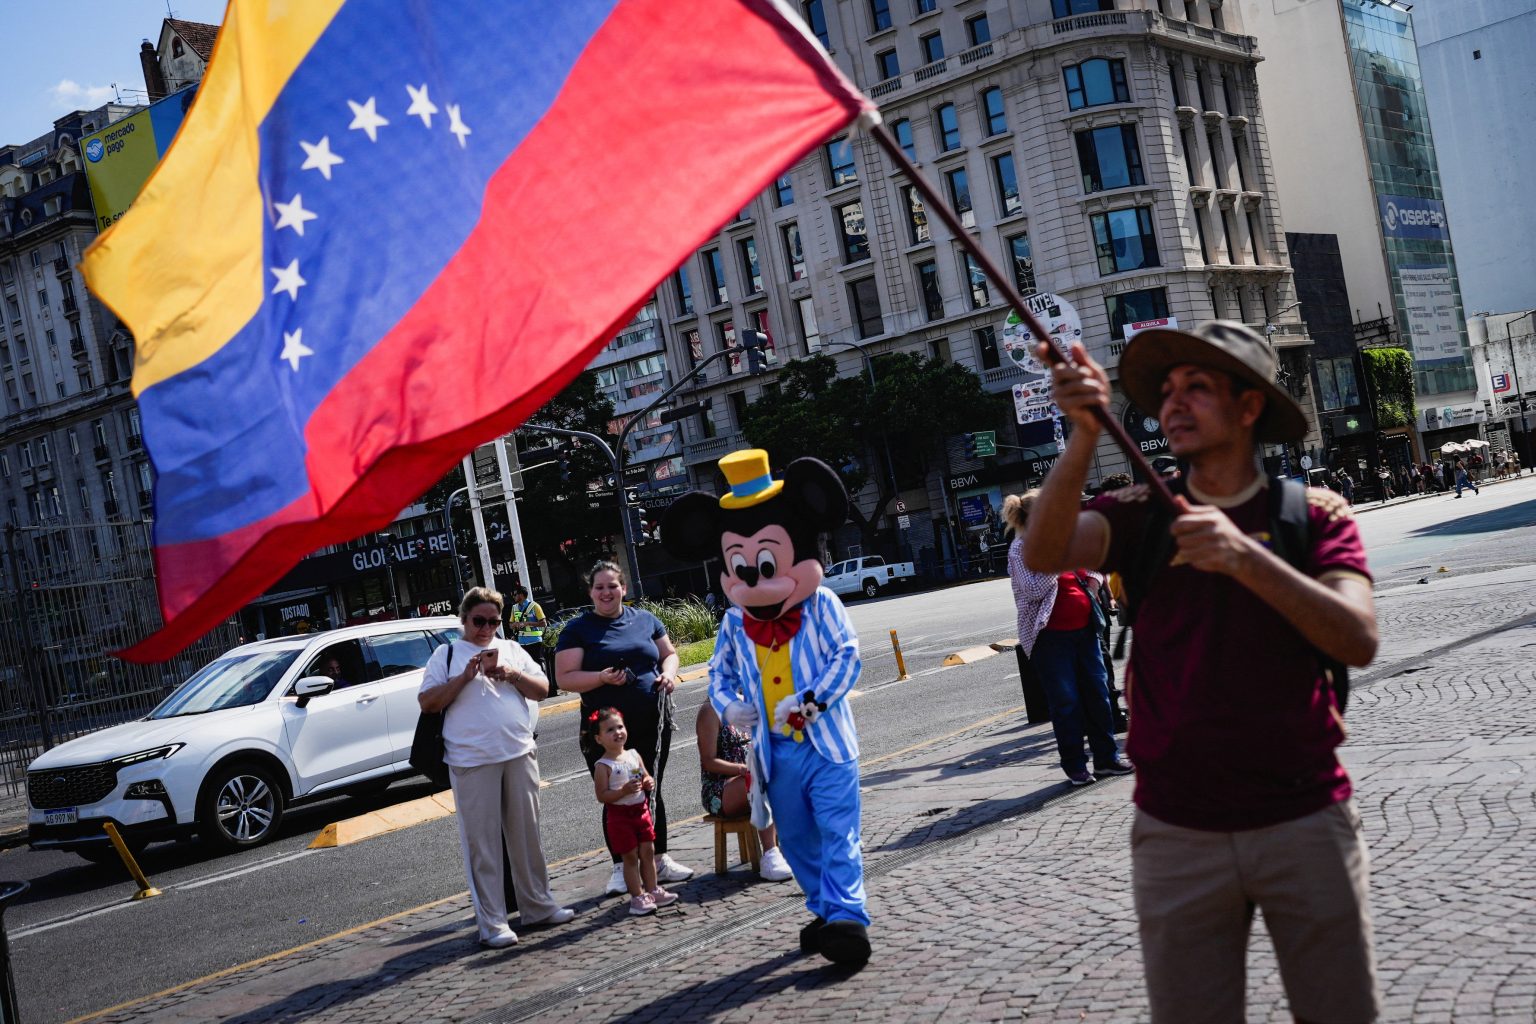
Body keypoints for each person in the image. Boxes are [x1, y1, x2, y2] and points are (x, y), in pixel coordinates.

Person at [1024, 320, 1380, 1023]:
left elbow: (1358, 637)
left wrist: (1246, 558)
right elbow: (1045, 550)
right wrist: (1084, 435)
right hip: (1176, 832)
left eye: (1199, 388)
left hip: (1305, 819)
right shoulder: (1136, 515)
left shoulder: (1312, 513)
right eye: (1167, 391)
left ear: (1250, 408)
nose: (1173, 405)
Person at [419, 587, 573, 949]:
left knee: (527, 836)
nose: (486, 628)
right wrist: (464, 678)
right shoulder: (448, 654)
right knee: (483, 844)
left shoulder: (513, 650)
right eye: (479, 621)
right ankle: (492, 922)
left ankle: (537, 905)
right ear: (464, 619)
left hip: (518, 752)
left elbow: (543, 688)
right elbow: (428, 702)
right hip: (471, 760)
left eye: (494, 621)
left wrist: (512, 675)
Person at [554, 561, 693, 895]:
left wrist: (669, 674)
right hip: (605, 729)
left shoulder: (644, 619)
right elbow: (564, 678)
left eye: (612, 586)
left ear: (623, 588)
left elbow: (669, 654)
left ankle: (658, 859)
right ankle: (622, 867)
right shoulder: (577, 629)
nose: (606, 593)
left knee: (649, 788)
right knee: (616, 795)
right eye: (599, 587)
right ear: (590, 592)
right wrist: (601, 677)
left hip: (650, 721)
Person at [1004, 491, 1129, 785]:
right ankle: (1075, 765)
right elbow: (1033, 590)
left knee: (1098, 695)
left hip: (1085, 630)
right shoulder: (1021, 549)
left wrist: (1093, 580)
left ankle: (1106, 758)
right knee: (1066, 702)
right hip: (1049, 637)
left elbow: (1095, 566)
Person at [584, 707, 679, 916]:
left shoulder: (633, 755)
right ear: (599, 739)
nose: (617, 732)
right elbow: (602, 795)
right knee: (629, 856)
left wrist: (648, 781)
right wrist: (622, 791)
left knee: (648, 851)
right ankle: (637, 896)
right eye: (610, 730)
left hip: (641, 812)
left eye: (620, 727)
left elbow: (644, 776)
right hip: (620, 817)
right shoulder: (603, 765)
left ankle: (653, 889)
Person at [695, 702, 794, 882]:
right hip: (720, 787)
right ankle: (770, 854)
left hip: (749, 776)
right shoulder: (710, 711)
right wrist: (742, 769)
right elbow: (709, 761)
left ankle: (795, 844)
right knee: (759, 779)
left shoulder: (748, 704)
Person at [506, 585, 548, 676]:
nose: (513, 596)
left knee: (538, 667)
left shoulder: (535, 606)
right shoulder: (514, 608)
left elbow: (544, 623)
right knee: (526, 669)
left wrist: (528, 623)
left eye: (515, 594)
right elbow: (510, 625)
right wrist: (515, 625)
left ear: (521, 595)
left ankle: (545, 687)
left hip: (535, 642)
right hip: (521, 643)